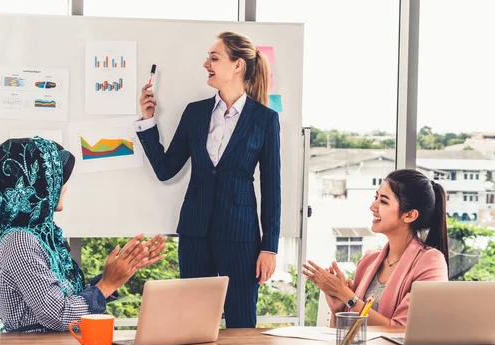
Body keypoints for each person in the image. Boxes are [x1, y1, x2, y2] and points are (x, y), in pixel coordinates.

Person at [135, 31, 280, 328]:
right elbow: (166, 169)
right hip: (194, 235)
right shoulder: (196, 113)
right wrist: (148, 121)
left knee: (241, 325)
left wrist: (270, 247)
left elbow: (272, 189)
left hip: (241, 239)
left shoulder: (264, 119)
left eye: (214, 58)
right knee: (192, 324)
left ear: (237, 65)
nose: (206, 64)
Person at [0, 137, 167, 332]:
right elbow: (58, 314)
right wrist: (107, 284)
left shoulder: (41, 235)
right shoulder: (19, 241)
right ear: (38, 184)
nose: (64, 187)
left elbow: (64, 301)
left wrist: (115, 274)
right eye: (58, 179)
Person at [303, 169, 449, 327]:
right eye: (376, 198)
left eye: (384, 201)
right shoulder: (368, 260)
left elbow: (402, 330)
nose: (373, 206)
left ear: (409, 215)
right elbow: (345, 336)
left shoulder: (430, 261)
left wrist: (345, 295)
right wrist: (338, 309)